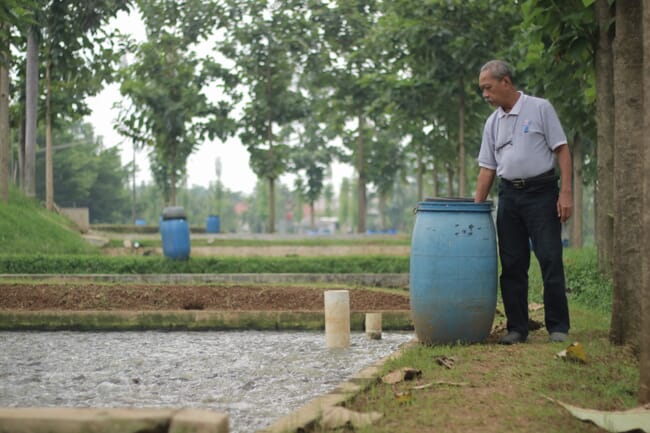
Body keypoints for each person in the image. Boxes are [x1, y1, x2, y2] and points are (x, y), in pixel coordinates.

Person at [474, 60, 573, 345]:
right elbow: (487, 170)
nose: (485, 95)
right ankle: (516, 328)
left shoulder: (540, 108)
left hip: (542, 194)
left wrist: (565, 192)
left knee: (550, 258)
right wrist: (474, 208)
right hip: (509, 197)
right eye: (482, 90)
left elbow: (562, 151)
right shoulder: (492, 123)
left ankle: (558, 326)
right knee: (513, 263)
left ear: (506, 82)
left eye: (488, 88)